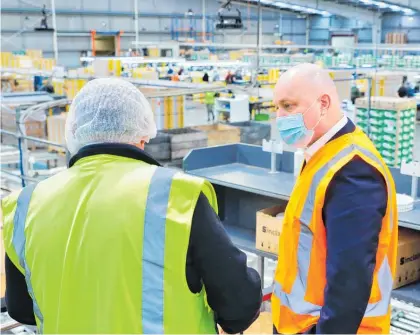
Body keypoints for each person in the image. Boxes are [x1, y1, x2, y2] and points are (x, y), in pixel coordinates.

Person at [2, 78, 262, 334]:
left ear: (74, 134)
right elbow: (238, 308)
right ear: (142, 135)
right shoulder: (176, 196)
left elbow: (22, 309)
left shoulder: (26, 204)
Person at [272, 64, 397, 334]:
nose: (280, 117)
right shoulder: (323, 154)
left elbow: (349, 282)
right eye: (277, 108)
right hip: (299, 324)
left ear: (324, 103)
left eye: (288, 106)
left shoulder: (353, 169)